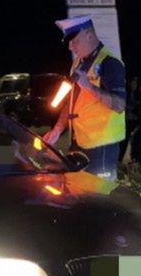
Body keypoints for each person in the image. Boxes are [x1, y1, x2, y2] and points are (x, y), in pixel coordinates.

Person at [41, 16, 126, 180]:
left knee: (99, 199)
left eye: (74, 41)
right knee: (77, 195)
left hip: (101, 148)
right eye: (69, 43)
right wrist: (57, 130)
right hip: (79, 144)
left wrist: (89, 86)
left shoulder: (111, 64)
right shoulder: (78, 63)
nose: (71, 47)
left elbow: (119, 105)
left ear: (89, 35)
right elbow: (72, 102)